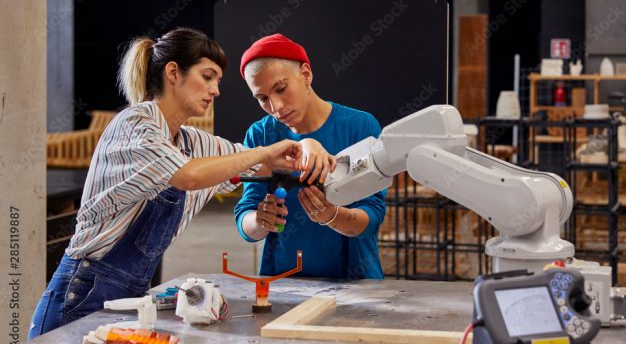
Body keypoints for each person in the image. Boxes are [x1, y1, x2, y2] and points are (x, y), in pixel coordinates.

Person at [29, 28, 333, 338]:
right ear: (174, 72)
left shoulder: (192, 142)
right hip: (82, 292)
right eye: (207, 76)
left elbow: (254, 162)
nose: (215, 90)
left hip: (132, 293)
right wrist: (269, 150)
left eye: (217, 81)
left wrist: (308, 146)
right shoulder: (136, 124)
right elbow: (189, 175)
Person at [234, 34, 387, 279]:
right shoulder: (260, 134)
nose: (276, 107)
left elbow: (373, 216)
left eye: (281, 89)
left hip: (355, 279)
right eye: (262, 98)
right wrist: (261, 221)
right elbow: (245, 217)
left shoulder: (360, 126)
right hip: (283, 280)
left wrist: (333, 216)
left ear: (306, 74)